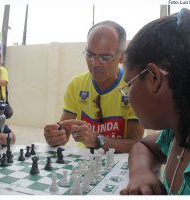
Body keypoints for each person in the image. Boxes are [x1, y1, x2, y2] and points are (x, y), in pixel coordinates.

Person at [119, 9, 190, 195]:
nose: (127, 96)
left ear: (154, 78)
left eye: (129, 85)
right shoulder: (182, 128)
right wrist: (141, 173)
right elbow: (144, 146)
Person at [44, 21, 144, 153]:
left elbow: (135, 144)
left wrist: (96, 139)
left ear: (122, 57)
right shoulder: (76, 85)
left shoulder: (133, 88)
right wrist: (55, 136)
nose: (95, 63)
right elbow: (64, 133)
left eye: (105, 57)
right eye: (90, 55)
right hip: (86, 164)